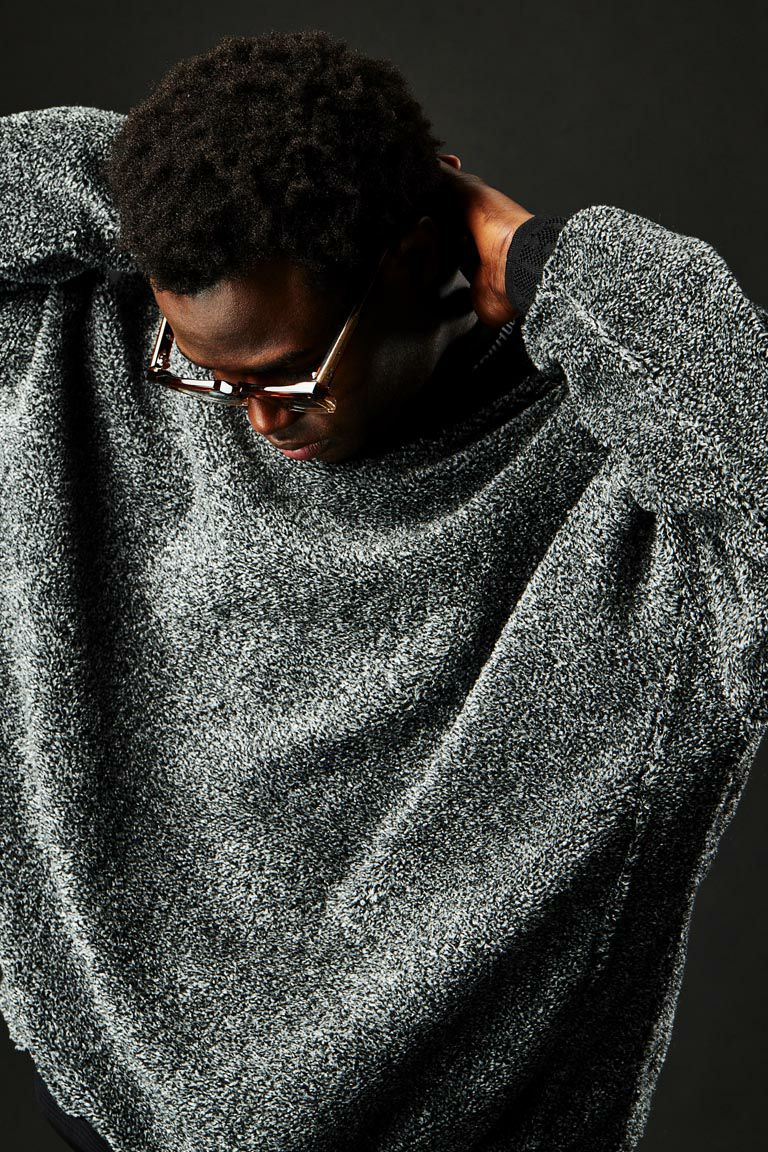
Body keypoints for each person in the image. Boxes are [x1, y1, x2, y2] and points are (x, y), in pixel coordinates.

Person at [1, 28, 766, 1152]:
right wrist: (172, 196)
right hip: (98, 1109)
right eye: (210, 370)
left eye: (292, 371)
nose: (258, 416)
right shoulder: (99, 336)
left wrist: (554, 262)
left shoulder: (641, 487)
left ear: (415, 252)